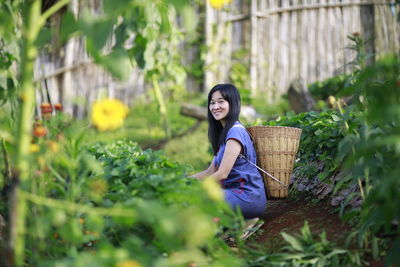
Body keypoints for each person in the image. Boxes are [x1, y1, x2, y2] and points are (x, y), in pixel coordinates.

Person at [192, 83, 267, 219]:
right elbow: (210, 171)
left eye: (221, 102)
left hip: (247, 196)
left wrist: (197, 189)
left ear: (233, 103)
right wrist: (181, 182)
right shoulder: (225, 134)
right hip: (233, 194)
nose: (215, 107)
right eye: (212, 103)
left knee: (197, 200)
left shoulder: (235, 132)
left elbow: (222, 173)